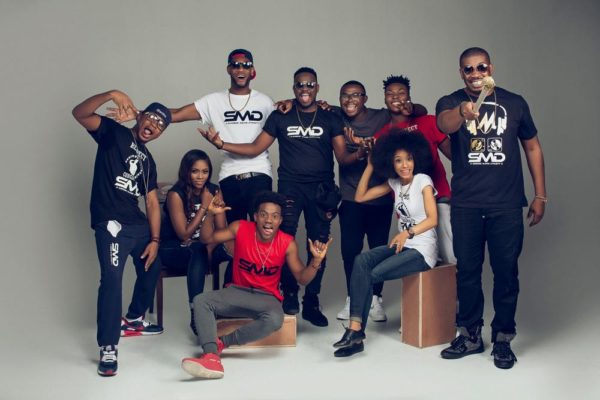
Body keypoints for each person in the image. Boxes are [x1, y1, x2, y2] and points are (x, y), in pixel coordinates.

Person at [200, 67, 357, 327]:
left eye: (310, 85)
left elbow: (342, 157)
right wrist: (222, 145)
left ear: (317, 88)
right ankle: (290, 294)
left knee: (318, 244)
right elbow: (255, 148)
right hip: (290, 188)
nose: (305, 89)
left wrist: (362, 153)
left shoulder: (330, 116)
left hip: (322, 190)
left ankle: (312, 301)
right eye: (300, 85)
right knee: (283, 241)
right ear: (293, 88)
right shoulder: (280, 115)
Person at [436, 47, 546, 369]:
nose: (475, 74)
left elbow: (532, 147)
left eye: (480, 67)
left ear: (490, 68)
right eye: (468, 69)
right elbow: (444, 124)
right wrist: (462, 112)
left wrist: (541, 195)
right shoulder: (451, 101)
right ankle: (470, 335)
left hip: (506, 204)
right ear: (461, 73)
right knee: (468, 272)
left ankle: (502, 339)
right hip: (467, 204)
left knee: (506, 273)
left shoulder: (514, 102)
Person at [181, 191, 333, 379]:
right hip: (237, 292)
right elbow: (207, 239)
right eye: (264, 214)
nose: (269, 220)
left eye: (275, 216)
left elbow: (302, 278)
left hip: (266, 298)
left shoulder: (287, 243)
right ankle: (211, 356)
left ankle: (222, 343)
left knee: (275, 319)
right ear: (255, 216)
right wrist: (210, 214)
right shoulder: (240, 228)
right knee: (201, 301)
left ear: (280, 221)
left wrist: (316, 261)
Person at [72, 90, 171, 376]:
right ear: (140, 116)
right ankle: (108, 345)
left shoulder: (148, 161)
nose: (154, 125)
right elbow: (80, 113)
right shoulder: (113, 133)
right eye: (151, 118)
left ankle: (134, 319)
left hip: (137, 225)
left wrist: (155, 239)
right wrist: (112, 94)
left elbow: (151, 202)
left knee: (153, 265)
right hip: (111, 223)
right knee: (112, 280)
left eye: (160, 125)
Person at [333, 130, 438, 357]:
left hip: (422, 250)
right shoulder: (395, 183)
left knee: (373, 274)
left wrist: (407, 233)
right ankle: (355, 331)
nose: (404, 165)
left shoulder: (423, 180)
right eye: (398, 160)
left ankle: (355, 333)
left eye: (409, 159)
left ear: (416, 159)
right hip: (403, 246)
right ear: (391, 163)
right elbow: (360, 197)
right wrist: (371, 164)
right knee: (361, 261)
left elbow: (433, 219)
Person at [168, 49, 275, 224]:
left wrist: (316, 106)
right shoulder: (213, 101)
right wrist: (140, 114)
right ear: (229, 69)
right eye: (236, 65)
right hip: (229, 177)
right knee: (234, 233)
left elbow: (290, 116)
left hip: (260, 174)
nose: (241, 69)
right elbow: (178, 114)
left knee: (262, 232)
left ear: (252, 70)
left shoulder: (265, 102)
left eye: (246, 65)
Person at [372, 75, 455, 264]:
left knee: (450, 258)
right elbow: (386, 175)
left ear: (409, 97)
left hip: (438, 201)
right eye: (390, 93)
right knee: (419, 266)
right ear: (384, 98)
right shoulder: (381, 136)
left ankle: (456, 286)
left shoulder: (428, 121)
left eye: (401, 92)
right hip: (408, 213)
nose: (395, 97)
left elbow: (455, 156)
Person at [159, 149, 228, 335]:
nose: (200, 176)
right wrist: (205, 206)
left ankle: (230, 306)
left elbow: (221, 230)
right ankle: (196, 312)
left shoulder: (213, 190)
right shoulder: (176, 194)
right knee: (198, 249)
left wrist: (215, 213)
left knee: (234, 249)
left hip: (205, 245)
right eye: (195, 171)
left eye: (205, 172)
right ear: (186, 171)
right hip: (174, 248)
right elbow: (184, 234)